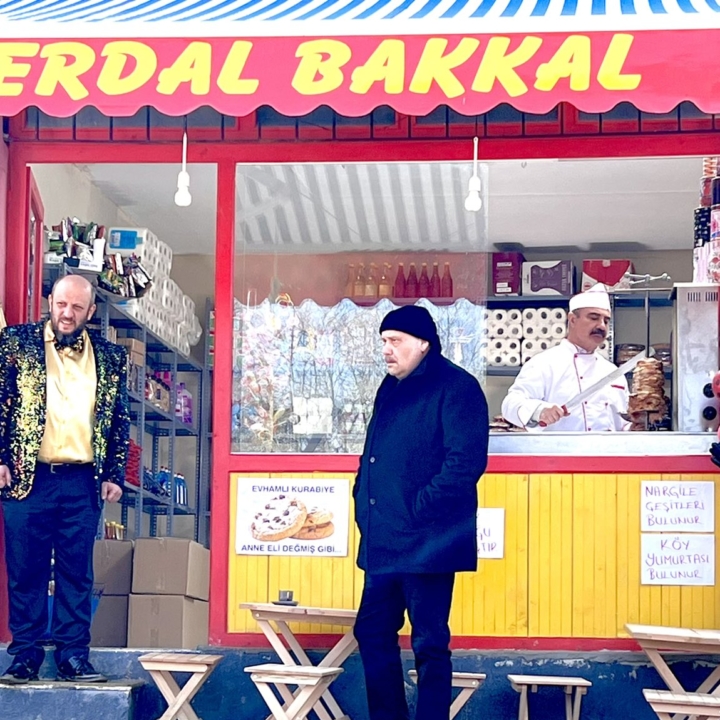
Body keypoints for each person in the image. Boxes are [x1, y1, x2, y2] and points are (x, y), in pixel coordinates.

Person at [352, 305, 489, 720]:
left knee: (429, 643)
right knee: (372, 632)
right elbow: (372, 455)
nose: (386, 350)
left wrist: (419, 510)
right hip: (384, 538)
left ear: (423, 343)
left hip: (430, 541)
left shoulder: (458, 387)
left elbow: (465, 464)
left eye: (395, 341)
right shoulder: (389, 387)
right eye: (383, 341)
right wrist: (362, 502)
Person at [0, 275, 130, 684]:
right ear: (50, 303)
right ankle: (25, 656)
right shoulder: (15, 343)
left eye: (76, 307)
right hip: (27, 477)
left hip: (82, 479)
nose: (67, 314)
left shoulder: (111, 356)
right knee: (26, 569)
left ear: (91, 311)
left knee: (77, 572)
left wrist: (115, 473)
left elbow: (119, 419)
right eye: (61, 305)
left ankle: (74, 657)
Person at [501, 283, 629, 432]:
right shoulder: (544, 364)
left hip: (608, 448)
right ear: (572, 320)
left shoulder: (613, 373)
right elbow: (510, 404)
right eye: (594, 318)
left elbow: (623, 424)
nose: (601, 326)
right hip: (559, 448)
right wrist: (539, 411)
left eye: (606, 321)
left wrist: (636, 426)